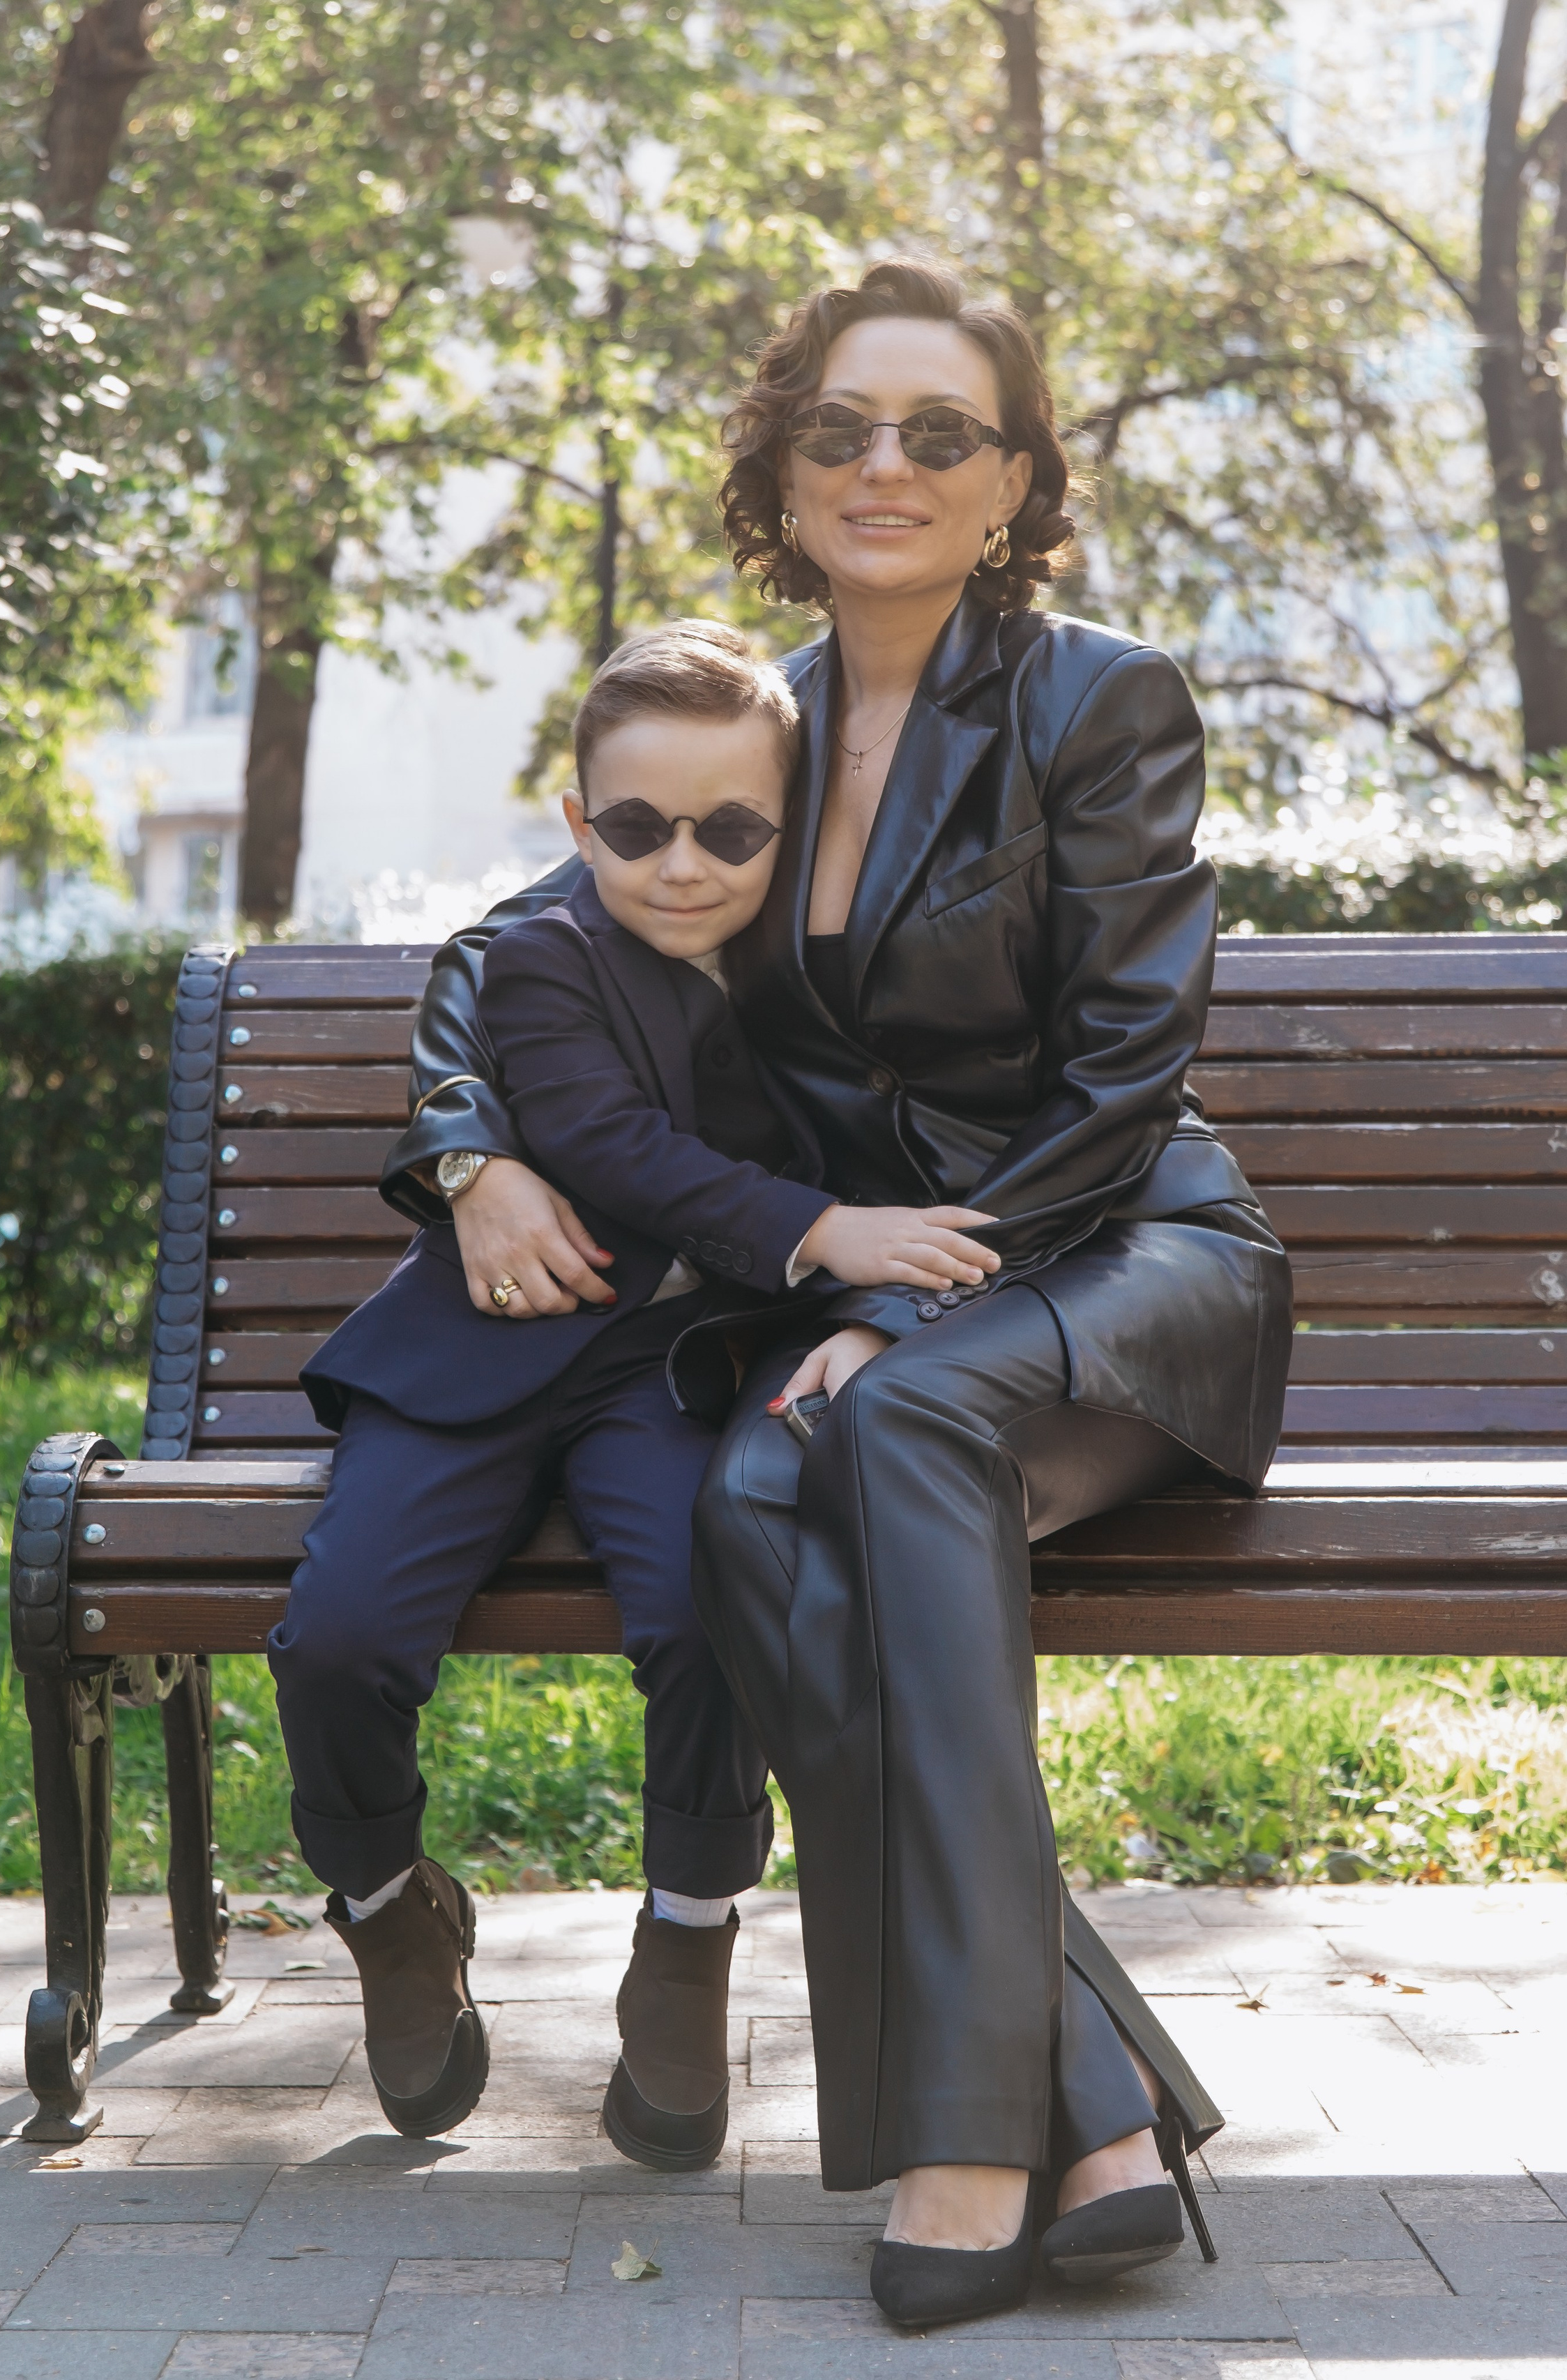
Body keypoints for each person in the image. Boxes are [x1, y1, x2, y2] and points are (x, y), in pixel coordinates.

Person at [382, 259, 1294, 2325]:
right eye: (841, 429)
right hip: (891, 1300)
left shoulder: (1098, 697)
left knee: (882, 1422)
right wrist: (474, 1143)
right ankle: (1091, 2083)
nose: (886, 464)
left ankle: (975, 2133)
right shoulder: (755, 724)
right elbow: (505, 948)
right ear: (784, 472)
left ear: (1011, 483)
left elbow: (1128, 1066)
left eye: (939, 433)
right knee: (743, 1507)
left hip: (1126, 1259)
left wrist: (911, 1302)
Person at [270, 619, 1004, 2175]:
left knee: (705, 1601)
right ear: (575, 823)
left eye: (730, 828)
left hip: (673, 1376)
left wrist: (865, 1291)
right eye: (635, 827)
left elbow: (918, 1158)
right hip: (481, 1352)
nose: (681, 863)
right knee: (338, 1633)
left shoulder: (830, 982)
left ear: (785, 824)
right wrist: (816, 1230)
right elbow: (607, 1143)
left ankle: (686, 1933)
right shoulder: (543, 960)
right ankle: (389, 1912)